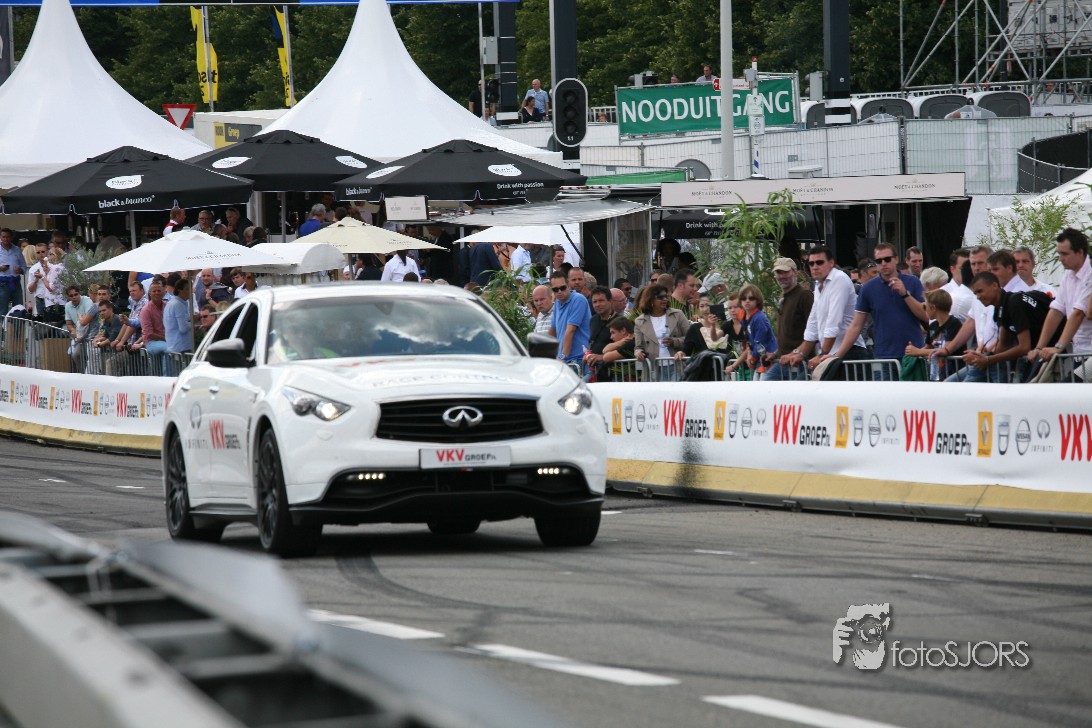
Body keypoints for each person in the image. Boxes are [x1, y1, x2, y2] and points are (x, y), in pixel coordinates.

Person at [828, 243, 927, 379]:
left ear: (896, 259)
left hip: (913, 354)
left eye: (887, 259)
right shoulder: (868, 288)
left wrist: (905, 294)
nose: (883, 264)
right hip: (883, 356)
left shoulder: (913, 282)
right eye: (879, 261)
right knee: (885, 393)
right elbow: (856, 325)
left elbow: (925, 316)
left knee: (914, 393)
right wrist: (837, 355)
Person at [782, 246, 865, 374]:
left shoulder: (839, 279)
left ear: (831, 263)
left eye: (819, 262)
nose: (814, 267)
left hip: (850, 352)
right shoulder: (818, 285)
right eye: (811, 263)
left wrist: (822, 354)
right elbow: (812, 325)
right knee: (806, 384)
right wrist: (798, 353)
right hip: (832, 355)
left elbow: (834, 322)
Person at [1029, 227, 1092, 370]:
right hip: (1079, 352)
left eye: (1064, 254)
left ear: (1080, 252)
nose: (1060, 258)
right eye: (1059, 253)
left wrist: (1058, 347)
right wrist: (1039, 347)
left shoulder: (1090, 274)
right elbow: (1056, 311)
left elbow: (1078, 314)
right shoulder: (1068, 276)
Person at [764, 257, 814, 381]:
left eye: (785, 272)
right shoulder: (783, 297)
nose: (782, 276)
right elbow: (787, 334)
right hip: (783, 361)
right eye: (778, 272)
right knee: (765, 388)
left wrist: (798, 353)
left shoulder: (805, 295)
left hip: (801, 362)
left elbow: (815, 330)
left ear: (795, 273)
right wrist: (775, 354)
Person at [905, 289, 964, 380]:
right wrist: (913, 350)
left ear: (933, 308)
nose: (924, 310)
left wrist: (918, 351)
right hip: (937, 375)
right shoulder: (932, 326)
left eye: (925, 307)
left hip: (954, 374)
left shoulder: (954, 324)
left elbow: (946, 349)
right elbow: (928, 347)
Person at [633, 284, 688, 379]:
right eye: (660, 297)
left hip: (676, 364)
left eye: (666, 296)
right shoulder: (640, 321)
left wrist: (674, 341)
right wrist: (639, 353)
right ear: (650, 300)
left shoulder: (677, 314)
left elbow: (689, 338)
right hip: (653, 368)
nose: (665, 299)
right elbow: (638, 347)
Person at [548, 270, 591, 364]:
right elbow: (552, 331)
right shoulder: (557, 303)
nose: (559, 291)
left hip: (579, 359)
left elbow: (570, 330)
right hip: (566, 360)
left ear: (568, 285)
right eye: (555, 289)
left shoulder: (578, 299)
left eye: (562, 288)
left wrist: (563, 357)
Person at [737, 283, 778, 376]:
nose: (747, 301)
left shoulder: (759, 318)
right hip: (759, 360)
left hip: (769, 359)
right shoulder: (744, 317)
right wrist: (749, 354)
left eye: (751, 298)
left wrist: (752, 359)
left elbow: (760, 342)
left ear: (757, 300)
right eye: (744, 298)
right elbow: (750, 341)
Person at [26, 243, 64, 320]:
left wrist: (44, 275)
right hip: (41, 300)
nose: (41, 254)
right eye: (38, 252)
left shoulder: (54, 266)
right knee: (42, 323)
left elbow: (53, 286)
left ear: (47, 252)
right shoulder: (33, 269)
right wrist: (36, 280)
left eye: (43, 251)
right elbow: (30, 290)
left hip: (54, 300)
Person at [583, 286, 616, 372]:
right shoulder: (593, 320)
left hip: (614, 371)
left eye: (601, 301)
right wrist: (588, 355)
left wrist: (601, 357)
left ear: (610, 301)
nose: (597, 305)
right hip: (596, 370)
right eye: (595, 302)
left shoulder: (619, 321)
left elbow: (624, 348)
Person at [599, 317, 638, 381]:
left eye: (613, 333)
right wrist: (620, 342)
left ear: (623, 331)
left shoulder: (631, 344)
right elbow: (605, 350)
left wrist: (620, 343)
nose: (611, 337)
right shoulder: (626, 342)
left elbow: (606, 357)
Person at [164, 279, 193, 355]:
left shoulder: (172, 303)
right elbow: (183, 328)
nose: (190, 291)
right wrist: (194, 324)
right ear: (180, 290)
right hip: (181, 348)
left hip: (173, 346)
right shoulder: (178, 305)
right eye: (187, 289)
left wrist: (191, 318)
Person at [0, 228, 25, 314]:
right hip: (2, 282)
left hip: (15, 281)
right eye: (3, 237)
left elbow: (23, 265)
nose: (5, 239)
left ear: (11, 237)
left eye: (7, 237)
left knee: (19, 307)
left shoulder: (17, 249)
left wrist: (20, 270)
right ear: (0, 237)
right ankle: (2, 323)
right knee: (2, 309)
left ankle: (17, 322)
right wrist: (0, 268)